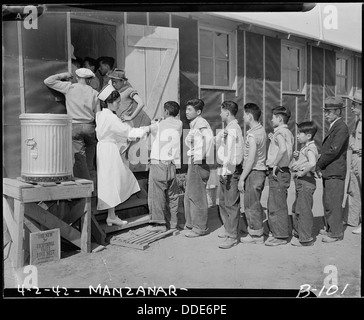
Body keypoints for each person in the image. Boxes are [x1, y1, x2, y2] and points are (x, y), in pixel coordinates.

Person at [95, 85, 147, 226]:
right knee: (116, 179)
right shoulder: (111, 118)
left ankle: (111, 215)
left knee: (110, 181)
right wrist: (147, 129)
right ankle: (111, 215)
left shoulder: (101, 115)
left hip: (104, 149)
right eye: (117, 102)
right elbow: (128, 132)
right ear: (109, 102)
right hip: (109, 151)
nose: (119, 105)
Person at [44, 68, 100, 180]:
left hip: (74, 126)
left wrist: (64, 75)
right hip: (90, 127)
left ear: (77, 77)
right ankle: (94, 189)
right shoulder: (95, 93)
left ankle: (84, 189)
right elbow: (98, 114)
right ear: (89, 80)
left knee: (79, 160)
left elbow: (48, 81)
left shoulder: (69, 87)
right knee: (90, 161)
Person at [143, 101, 183, 232]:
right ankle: (173, 224)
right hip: (171, 164)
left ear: (166, 112)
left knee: (157, 194)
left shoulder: (159, 125)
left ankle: (159, 224)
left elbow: (148, 130)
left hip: (158, 162)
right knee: (172, 196)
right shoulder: (179, 124)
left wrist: (155, 122)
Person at [317, 96, 349, 243]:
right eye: (325, 111)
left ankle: (336, 233)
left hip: (335, 171)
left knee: (334, 202)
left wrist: (319, 163)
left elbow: (333, 150)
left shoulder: (341, 127)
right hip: (330, 170)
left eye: (329, 112)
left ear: (338, 111)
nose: (326, 114)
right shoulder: (335, 126)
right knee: (328, 201)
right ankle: (330, 228)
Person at [184, 98, 214, 238]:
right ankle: (191, 224)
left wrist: (201, 156)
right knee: (191, 193)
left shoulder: (201, 123)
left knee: (197, 196)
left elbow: (209, 139)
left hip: (198, 162)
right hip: (194, 161)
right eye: (186, 109)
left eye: (190, 110)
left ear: (198, 112)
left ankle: (200, 227)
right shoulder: (194, 123)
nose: (186, 112)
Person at [216, 101, 244, 249]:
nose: (219, 114)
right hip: (224, 168)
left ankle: (232, 236)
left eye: (221, 111)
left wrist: (227, 171)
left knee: (231, 203)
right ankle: (228, 230)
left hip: (230, 170)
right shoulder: (227, 128)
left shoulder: (234, 129)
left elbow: (234, 154)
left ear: (227, 112)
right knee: (222, 202)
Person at [238, 103, 267, 244]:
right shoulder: (261, 130)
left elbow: (250, 159)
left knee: (251, 205)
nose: (243, 117)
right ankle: (256, 229)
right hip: (260, 171)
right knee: (254, 203)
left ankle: (256, 235)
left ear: (249, 116)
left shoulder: (252, 135)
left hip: (254, 172)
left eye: (244, 114)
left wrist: (242, 178)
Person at [265, 106, 294, 246]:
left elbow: (282, 149)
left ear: (280, 118)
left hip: (278, 171)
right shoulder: (287, 132)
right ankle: (278, 231)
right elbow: (283, 148)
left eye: (273, 117)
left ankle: (281, 236)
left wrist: (275, 164)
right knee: (277, 202)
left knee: (277, 204)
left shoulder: (280, 132)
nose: (271, 119)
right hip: (284, 171)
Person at [290, 121, 319, 246]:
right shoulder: (305, 148)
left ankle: (305, 239)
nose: (297, 136)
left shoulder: (310, 148)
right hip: (302, 182)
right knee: (298, 208)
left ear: (308, 136)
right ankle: (299, 233)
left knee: (304, 210)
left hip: (306, 181)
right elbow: (305, 162)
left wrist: (302, 173)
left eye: (299, 133)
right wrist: (297, 157)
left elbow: (312, 163)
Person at [347, 89, 362, 234]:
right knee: (354, 190)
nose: (351, 107)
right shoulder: (357, 121)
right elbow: (352, 137)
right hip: (355, 158)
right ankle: (354, 220)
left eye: (354, 104)